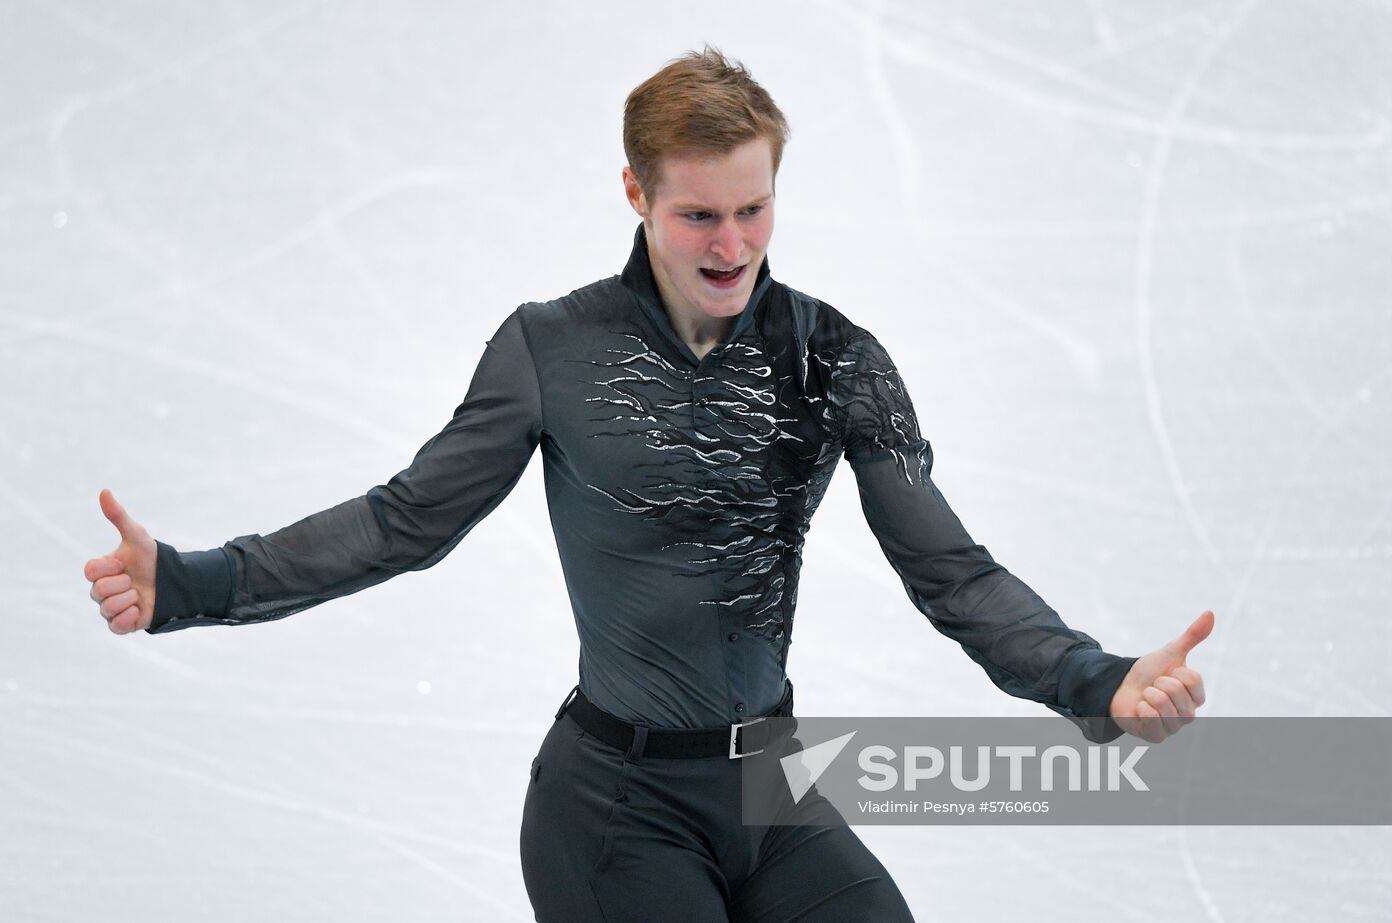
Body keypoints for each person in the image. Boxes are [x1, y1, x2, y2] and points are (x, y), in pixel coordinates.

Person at [84, 46, 1211, 922]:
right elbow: (402, 521)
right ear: (634, 191)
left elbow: (947, 568)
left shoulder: (835, 359)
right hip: (613, 808)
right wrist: (186, 581)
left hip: (774, 790)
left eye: (753, 208)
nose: (731, 244)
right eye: (698, 214)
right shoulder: (551, 348)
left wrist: (1095, 679)